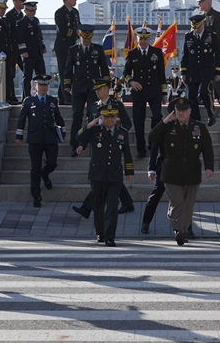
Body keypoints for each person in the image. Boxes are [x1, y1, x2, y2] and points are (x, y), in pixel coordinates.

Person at [149, 97, 214, 246]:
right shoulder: (167, 126)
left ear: (190, 111)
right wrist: (165, 121)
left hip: (192, 171)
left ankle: (183, 232)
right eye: (178, 111)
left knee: (188, 205)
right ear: (174, 112)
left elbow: (207, 149)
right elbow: (152, 137)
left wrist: (209, 167)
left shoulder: (199, 127)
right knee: (177, 201)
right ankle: (178, 230)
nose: (182, 113)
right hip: (171, 171)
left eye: (184, 111)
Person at [71, 78, 135, 218]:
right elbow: (91, 128)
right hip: (98, 145)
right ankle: (127, 202)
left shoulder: (116, 104)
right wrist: (82, 144)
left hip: (113, 142)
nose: (97, 92)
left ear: (106, 89)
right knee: (107, 178)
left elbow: (127, 123)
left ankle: (87, 208)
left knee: (106, 178)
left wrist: (118, 133)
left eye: (99, 89)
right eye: (95, 90)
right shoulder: (94, 106)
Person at [76, 103, 134, 247]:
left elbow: (127, 153)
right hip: (97, 174)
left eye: (113, 117)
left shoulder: (121, 132)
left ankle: (110, 236)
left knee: (112, 207)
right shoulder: (95, 131)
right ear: (102, 117)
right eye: (107, 117)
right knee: (98, 206)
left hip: (115, 175)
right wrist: (90, 124)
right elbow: (78, 136)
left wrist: (129, 171)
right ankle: (101, 233)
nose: (110, 120)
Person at [16, 75, 66, 208]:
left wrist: (63, 131)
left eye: (45, 85)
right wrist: (19, 136)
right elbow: (21, 120)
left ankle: (45, 174)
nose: (43, 88)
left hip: (50, 137)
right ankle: (36, 196)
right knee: (35, 168)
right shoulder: (29, 101)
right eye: (41, 85)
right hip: (35, 139)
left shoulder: (52, 101)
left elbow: (58, 117)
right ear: (35, 86)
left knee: (52, 163)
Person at [65, 24, 109, 157]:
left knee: (92, 115)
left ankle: (91, 142)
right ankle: (75, 143)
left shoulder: (98, 49)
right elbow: (68, 69)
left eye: (89, 38)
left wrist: (106, 85)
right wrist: (67, 84)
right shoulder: (73, 50)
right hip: (78, 87)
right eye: (85, 38)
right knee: (77, 115)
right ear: (80, 35)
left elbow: (104, 69)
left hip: (93, 88)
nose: (87, 40)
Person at [123, 27, 167, 159]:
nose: (143, 41)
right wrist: (131, 81)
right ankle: (141, 149)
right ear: (137, 39)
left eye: (145, 38)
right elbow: (125, 73)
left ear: (149, 39)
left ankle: (153, 143)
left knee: (157, 117)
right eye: (140, 38)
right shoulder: (132, 54)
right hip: (139, 92)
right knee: (138, 121)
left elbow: (161, 74)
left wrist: (164, 93)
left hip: (154, 91)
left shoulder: (157, 52)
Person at [180, 14, 220, 127]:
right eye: (194, 27)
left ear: (203, 24)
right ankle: (196, 120)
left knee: (204, 91)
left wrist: (218, 72)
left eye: (198, 27)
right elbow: (185, 55)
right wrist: (183, 72)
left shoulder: (211, 36)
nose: (196, 29)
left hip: (206, 71)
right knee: (191, 97)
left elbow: (218, 55)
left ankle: (211, 113)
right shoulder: (188, 36)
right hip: (192, 72)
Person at [16, 1, 46, 100]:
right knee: (27, 76)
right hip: (28, 53)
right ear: (25, 10)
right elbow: (20, 38)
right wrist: (23, 50)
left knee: (42, 76)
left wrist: (43, 47)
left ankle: (41, 95)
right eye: (30, 10)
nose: (33, 12)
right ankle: (26, 96)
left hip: (38, 53)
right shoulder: (22, 23)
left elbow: (39, 36)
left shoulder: (36, 21)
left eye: (34, 10)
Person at [54, 0, 80, 106]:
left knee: (70, 71)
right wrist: (75, 33)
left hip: (73, 45)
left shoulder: (75, 12)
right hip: (63, 46)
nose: (75, 0)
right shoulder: (59, 13)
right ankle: (67, 96)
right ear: (67, 0)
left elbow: (78, 26)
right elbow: (62, 30)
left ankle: (62, 96)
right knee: (64, 71)